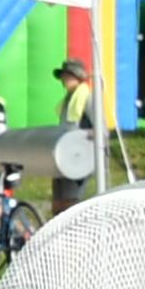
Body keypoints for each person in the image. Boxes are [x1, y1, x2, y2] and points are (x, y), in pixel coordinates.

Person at [51, 56, 95, 214]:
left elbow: (100, 129)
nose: (64, 79)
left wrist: (83, 137)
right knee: (57, 202)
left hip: (78, 157)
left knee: (71, 203)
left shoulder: (87, 98)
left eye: (68, 76)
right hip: (62, 156)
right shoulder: (67, 100)